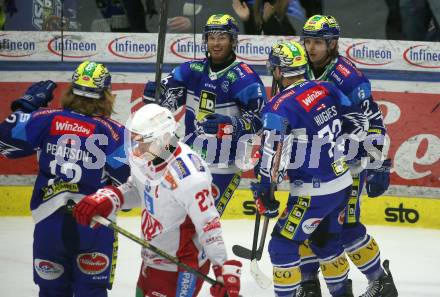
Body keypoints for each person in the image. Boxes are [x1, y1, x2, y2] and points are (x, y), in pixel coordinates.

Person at [72, 103, 243, 297]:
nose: (138, 147)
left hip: (182, 267)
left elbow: (209, 225)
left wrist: (222, 269)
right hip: (152, 258)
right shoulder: (147, 156)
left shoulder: (189, 175)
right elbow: (137, 189)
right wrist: (107, 199)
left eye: (143, 141)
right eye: (135, 140)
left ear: (164, 137)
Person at [0, 61, 130, 297]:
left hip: (49, 224)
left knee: (52, 292)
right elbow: (127, 190)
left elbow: (4, 141)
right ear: (107, 95)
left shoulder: (45, 118)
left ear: (71, 90)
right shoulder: (114, 131)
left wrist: (27, 106)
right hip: (94, 224)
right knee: (91, 292)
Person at [253, 40, 367, 297]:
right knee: (324, 242)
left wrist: (265, 191)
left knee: (282, 246)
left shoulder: (279, 106)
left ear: (279, 71)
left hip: (312, 193)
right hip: (342, 183)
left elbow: (272, 155)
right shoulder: (326, 88)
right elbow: (356, 121)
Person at [296, 15, 398, 297]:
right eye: (308, 41)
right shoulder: (297, 69)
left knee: (347, 228)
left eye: (318, 42)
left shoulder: (349, 77)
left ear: (333, 43)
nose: (311, 48)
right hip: (310, 164)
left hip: (348, 166)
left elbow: (374, 120)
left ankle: (381, 283)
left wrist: (379, 164)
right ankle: (308, 284)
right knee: (304, 224)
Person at [143, 13, 267, 216]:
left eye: (222, 37)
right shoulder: (191, 70)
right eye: (212, 37)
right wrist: (154, 95)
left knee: (204, 222)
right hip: (190, 159)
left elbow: (259, 122)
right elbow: (167, 104)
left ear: (233, 40)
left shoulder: (246, 79)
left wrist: (229, 124)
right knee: (176, 219)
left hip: (224, 165)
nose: (216, 43)